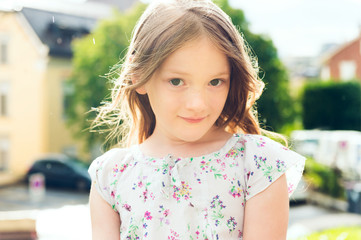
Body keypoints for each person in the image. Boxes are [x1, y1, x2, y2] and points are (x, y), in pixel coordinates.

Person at [88, 0, 305, 239]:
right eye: (177, 81)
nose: (197, 104)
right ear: (138, 74)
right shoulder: (110, 176)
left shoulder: (257, 165)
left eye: (215, 82)